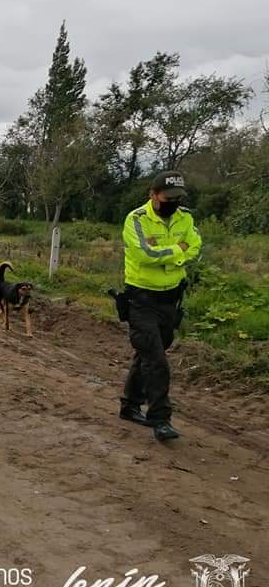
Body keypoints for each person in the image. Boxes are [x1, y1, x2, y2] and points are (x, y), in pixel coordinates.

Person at [119, 171, 202, 441]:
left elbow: (196, 247)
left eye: (178, 198)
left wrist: (168, 255)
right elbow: (145, 254)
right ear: (154, 195)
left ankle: (130, 405)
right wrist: (178, 251)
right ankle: (161, 419)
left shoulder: (185, 217)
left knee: (148, 355)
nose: (174, 202)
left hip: (170, 300)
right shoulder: (136, 220)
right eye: (169, 198)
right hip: (141, 299)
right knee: (157, 361)